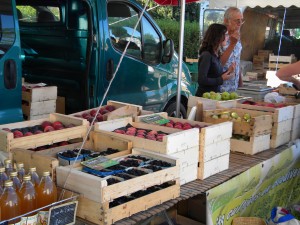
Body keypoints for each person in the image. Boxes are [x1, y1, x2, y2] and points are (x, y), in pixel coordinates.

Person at [196, 23, 235, 97]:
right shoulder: (206, 55)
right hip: (204, 97)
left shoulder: (215, 55)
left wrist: (228, 72)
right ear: (218, 36)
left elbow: (214, 75)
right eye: (226, 35)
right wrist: (221, 79)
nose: (228, 37)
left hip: (214, 97)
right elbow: (202, 79)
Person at [220, 7, 244, 93]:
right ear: (226, 21)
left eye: (241, 20)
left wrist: (240, 81)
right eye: (237, 21)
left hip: (234, 88)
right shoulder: (219, 37)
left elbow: (237, 60)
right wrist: (232, 44)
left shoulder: (237, 37)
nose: (240, 23)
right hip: (220, 89)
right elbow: (218, 64)